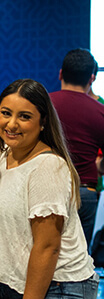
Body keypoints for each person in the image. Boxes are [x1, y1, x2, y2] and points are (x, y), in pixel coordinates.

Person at [0, 78, 99, 299]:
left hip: (57, 292)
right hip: (18, 288)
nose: (11, 124)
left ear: (43, 122)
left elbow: (47, 246)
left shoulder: (48, 166)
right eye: (6, 113)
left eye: (25, 116)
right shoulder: (6, 155)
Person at [50, 49, 104, 248]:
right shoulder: (101, 112)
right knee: (78, 260)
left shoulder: (43, 104)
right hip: (84, 191)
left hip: (46, 188)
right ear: (92, 78)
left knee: (42, 251)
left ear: (61, 73)